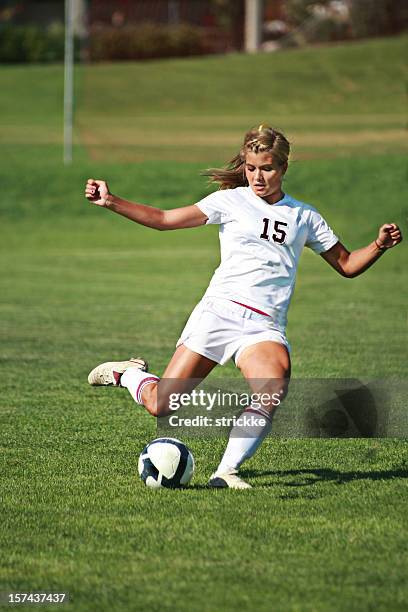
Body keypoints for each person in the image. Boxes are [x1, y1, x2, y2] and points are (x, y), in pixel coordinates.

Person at [85, 124, 402, 489]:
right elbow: (163, 219)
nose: (257, 176)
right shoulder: (230, 201)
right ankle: (128, 374)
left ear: (283, 167)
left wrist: (378, 246)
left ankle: (225, 472)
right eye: (251, 168)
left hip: (264, 327)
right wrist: (111, 201)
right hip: (218, 314)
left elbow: (346, 265)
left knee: (273, 388)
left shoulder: (304, 217)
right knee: (161, 405)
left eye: (266, 168)